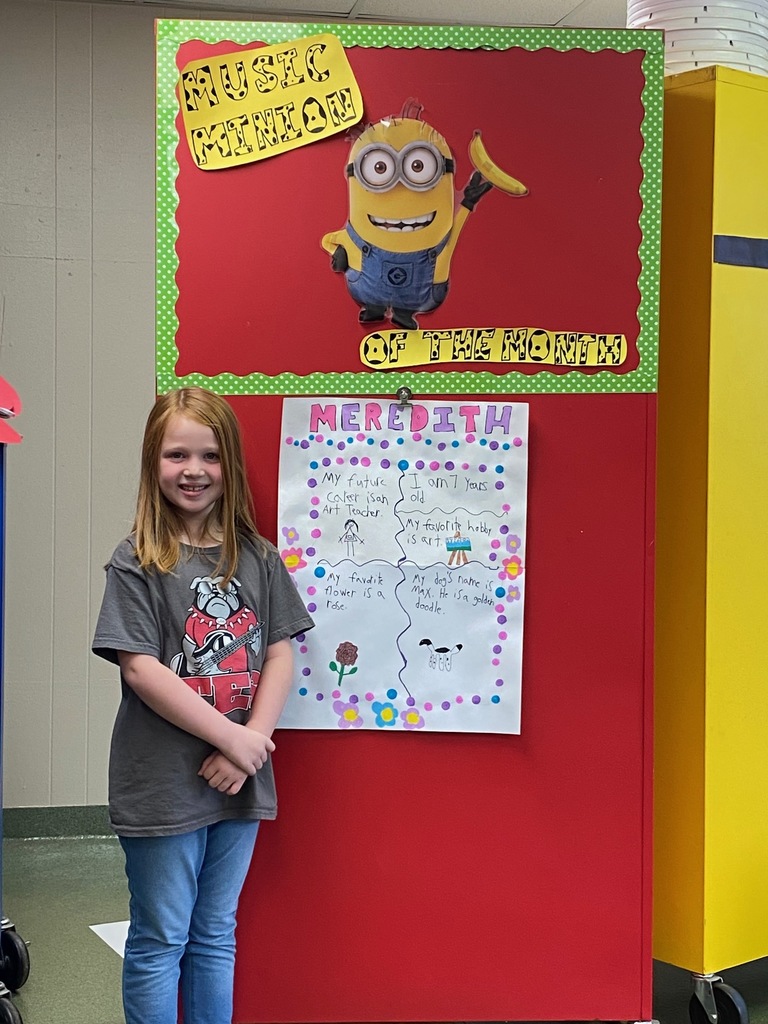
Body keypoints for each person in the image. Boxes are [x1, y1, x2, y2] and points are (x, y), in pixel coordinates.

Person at [92, 387, 314, 1024]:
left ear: (231, 465)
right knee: (162, 939)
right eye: (177, 454)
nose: (193, 469)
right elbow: (141, 669)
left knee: (216, 934)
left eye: (210, 455)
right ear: (152, 463)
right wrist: (235, 739)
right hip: (160, 785)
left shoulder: (260, 557)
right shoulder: (136, 560)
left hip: (239, 779)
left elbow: (278, 653)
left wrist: (250, 746)